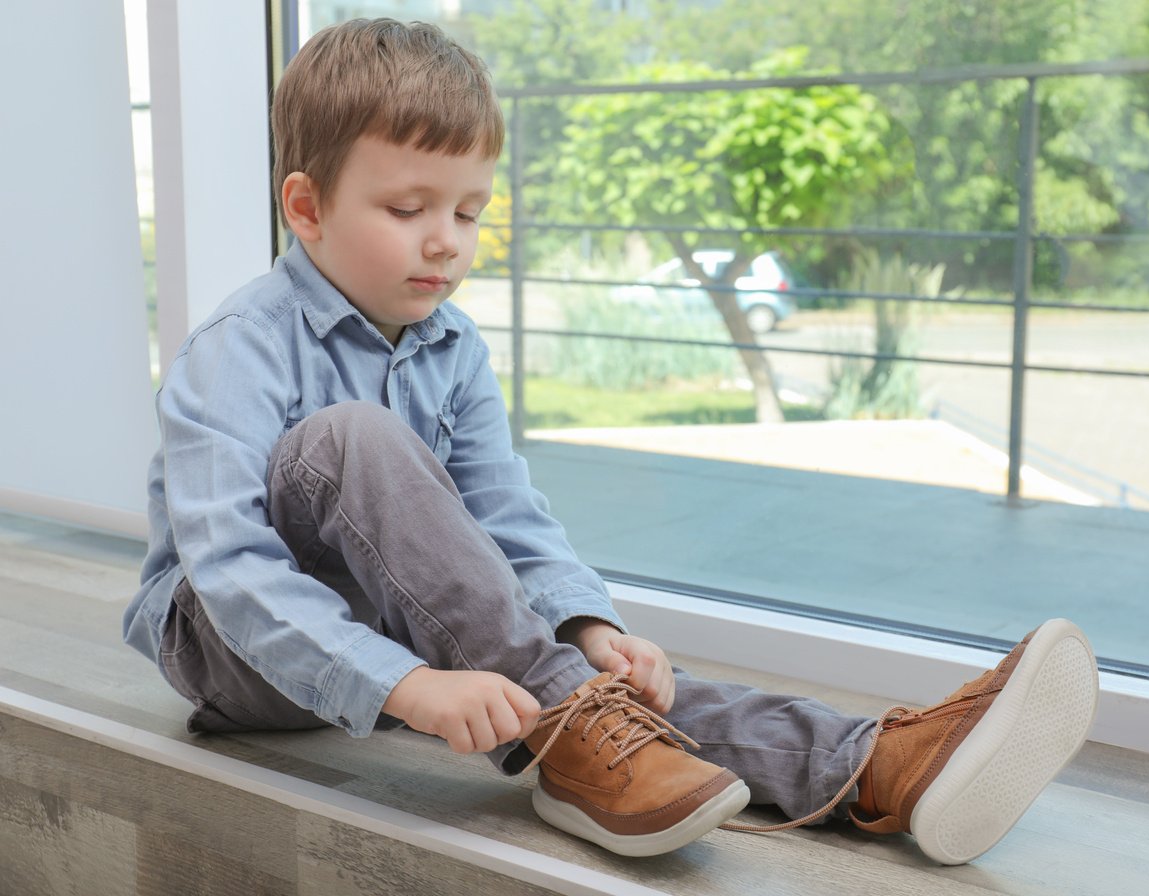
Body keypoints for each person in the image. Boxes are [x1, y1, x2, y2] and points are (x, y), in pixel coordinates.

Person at [123, 17, 1099, 864]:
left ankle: (873, 765)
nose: (447, 242)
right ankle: (572, 731)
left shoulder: (453, 347)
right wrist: (408, 683)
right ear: (307, 207)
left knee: (604, 685)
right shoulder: (238, 347)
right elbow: (231, 571)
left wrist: (590, 628)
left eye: (469, 211)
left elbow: (505, 514)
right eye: (408, 209)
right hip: (231, 649)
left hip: (388, 619)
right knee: (350, 439)